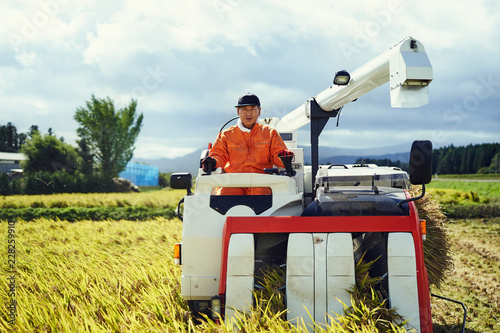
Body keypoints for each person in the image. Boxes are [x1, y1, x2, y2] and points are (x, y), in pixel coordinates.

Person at [201, 93, 293, 195]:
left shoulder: (270, 133)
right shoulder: (226, 135)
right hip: (233, 182)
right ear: (238, 111)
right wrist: (213, 162)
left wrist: (284, 158)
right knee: (224, 193)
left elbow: (278, 154)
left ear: (259, 111)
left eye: (252, 109)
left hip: (261, 181)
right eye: (244, 109)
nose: (248, 113)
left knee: (260, 193)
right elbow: (218, 155)